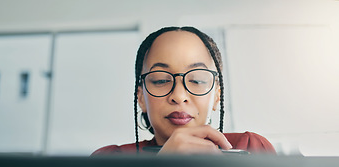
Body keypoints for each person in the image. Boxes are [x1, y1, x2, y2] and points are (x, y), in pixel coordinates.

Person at [92, 26, 275, 155]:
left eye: (197, 80)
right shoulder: (110, 160)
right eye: (161, 79)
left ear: (217, 95)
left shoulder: (251, 147)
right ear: (140, 97)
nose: (179, 96)